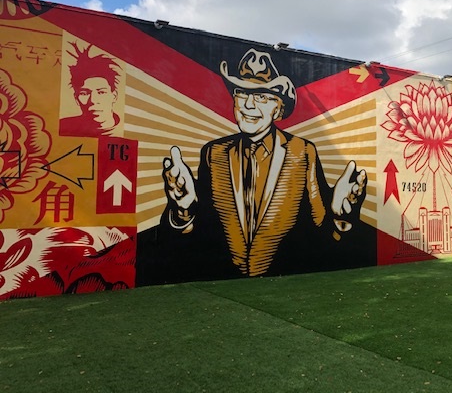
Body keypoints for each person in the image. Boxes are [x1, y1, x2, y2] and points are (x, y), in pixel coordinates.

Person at [136, 48, 371, 284]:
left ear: (278, 109)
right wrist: (184, 211)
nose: (248, 105)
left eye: (262, 97)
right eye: (241, 94)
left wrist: (340, 217)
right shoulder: (213, 153)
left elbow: (320, 228)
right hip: (223, 286)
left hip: (283, 286)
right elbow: (199, 233)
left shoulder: (302, 152)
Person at [59, 43, 121, 137]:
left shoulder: (131, 128)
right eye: (84, 93)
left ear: (114, 96)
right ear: (76, 98)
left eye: (101, 92)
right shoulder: (63, 127)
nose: (93, 100)